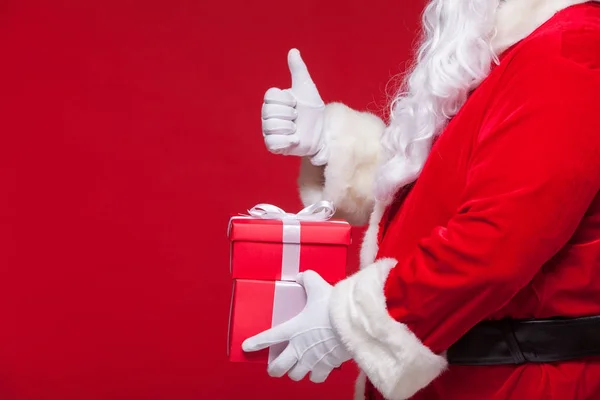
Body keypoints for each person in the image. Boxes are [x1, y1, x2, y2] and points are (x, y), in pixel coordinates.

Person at [242, 0, 600, 399]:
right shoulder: (522, 46)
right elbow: (449, 187)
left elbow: (496, 243)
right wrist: (330, 143)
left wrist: (352, 321)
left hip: (512, 384)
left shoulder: (567, 49)